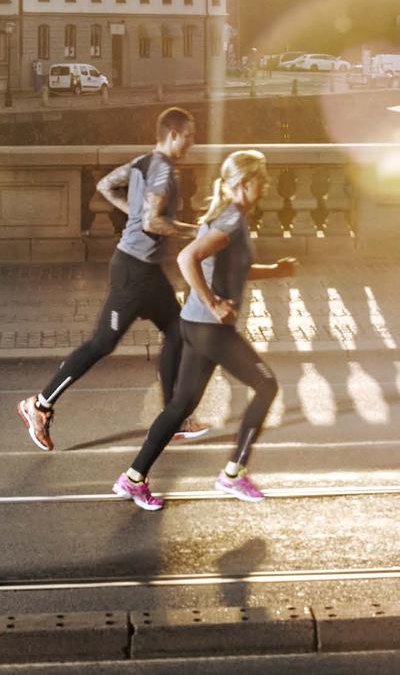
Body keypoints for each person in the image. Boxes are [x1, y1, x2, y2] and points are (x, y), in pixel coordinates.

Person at [112, 149, 298, 510]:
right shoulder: (229, 222)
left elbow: (231, 270)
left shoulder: (227, 217)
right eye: (262, 179)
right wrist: (214, 302)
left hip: (194, 326)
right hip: (211, 329)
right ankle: (233, 475)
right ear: (244, 184)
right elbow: (187, 259)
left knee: (181, 404)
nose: (267, 185)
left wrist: (275, 270)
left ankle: (133, 478)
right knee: (266, 385)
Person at [17, 106, 206, 450]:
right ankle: (40, 405)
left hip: (142, 268)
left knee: (178, 332)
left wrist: (133, 214)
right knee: (102, 344)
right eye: (190, 136)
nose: (192, 143)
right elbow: (152, 223)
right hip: (134, 271)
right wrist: (197, 231)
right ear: (174, 134)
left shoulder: (142, 162)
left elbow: (106, 185)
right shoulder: (162, 170)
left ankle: (173, 419)